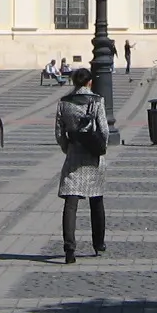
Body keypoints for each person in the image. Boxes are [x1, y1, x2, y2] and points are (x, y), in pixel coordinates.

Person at [53, 67, 109, 262]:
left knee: (71, 202)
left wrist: (67, 147)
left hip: (74, 154)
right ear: (90, 82)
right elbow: (104, 130)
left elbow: (59, 133)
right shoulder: (97, 100)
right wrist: (101, 146)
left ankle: (69, 249)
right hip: (93, 155)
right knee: (96, 200)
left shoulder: (64, 103)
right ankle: (98, 243)